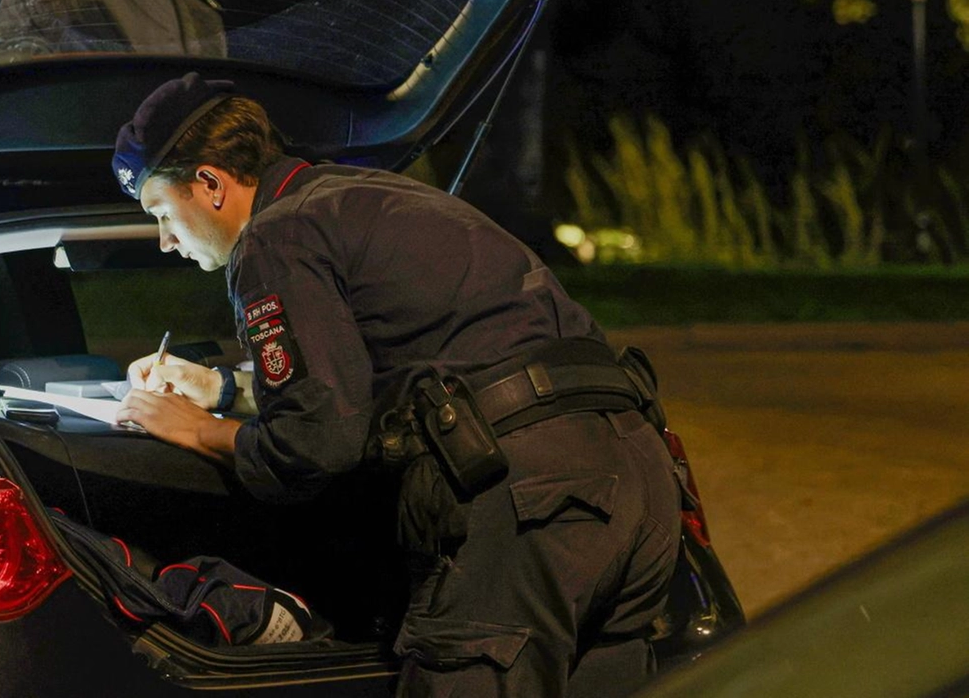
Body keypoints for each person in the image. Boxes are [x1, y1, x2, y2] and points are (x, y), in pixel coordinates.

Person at [111, 73, 681, 697]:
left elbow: (316, 442)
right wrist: (223, 389)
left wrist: (199, 431)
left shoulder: (275, 236)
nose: (166, 240)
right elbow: (374, 376)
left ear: (211, 183)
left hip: (531, 503)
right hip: (639, 480)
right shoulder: (362, 196)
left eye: (162, 212)